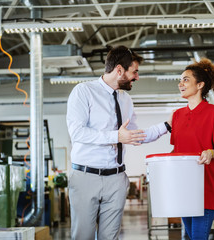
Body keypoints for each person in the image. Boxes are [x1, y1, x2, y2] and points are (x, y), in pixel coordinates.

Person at [66, 45, 170, 240]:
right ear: (119, 70)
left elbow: (134, 135)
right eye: (135, 72)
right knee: (83, 236)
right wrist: (116, 137)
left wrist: (166, 126)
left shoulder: (125, 99)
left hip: (117, 178)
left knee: (111, 237)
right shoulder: (84, 91)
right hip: (86, 176)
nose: (137, 77)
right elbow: (77, 132)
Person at [169, 58, 214, 239]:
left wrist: (210, 152)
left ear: (200, 84)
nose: (180, 84)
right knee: (191, 236)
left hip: (205, 187)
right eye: (180, 80)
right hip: (183, 186)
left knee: (198, 237)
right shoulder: (177, 115)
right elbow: (176, 151)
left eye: (186, 79)